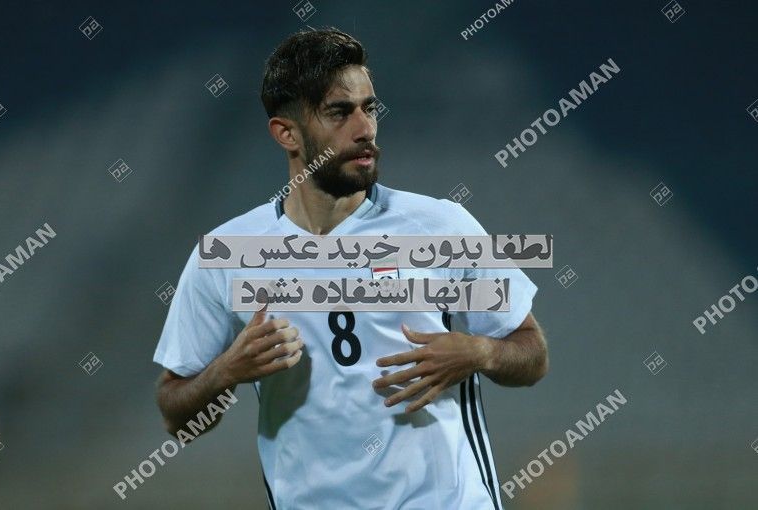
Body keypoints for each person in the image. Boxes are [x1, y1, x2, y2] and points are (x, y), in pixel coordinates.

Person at [153, 27, 548, 510]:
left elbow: (532, 354)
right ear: (286, 133)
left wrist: (480, 352)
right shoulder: (227, 253)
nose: (365, 129)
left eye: (370, 108)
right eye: (339, 112)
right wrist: (225, 372)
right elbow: (176, 416)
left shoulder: (440, 227)